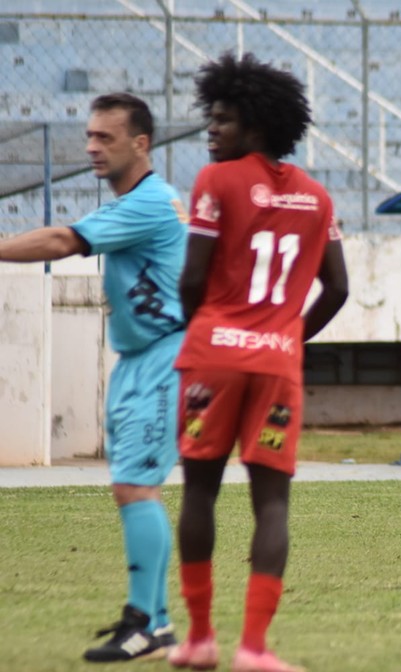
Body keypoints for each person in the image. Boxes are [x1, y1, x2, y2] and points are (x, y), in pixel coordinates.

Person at [168, 53, 348, 672]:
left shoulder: (214, 183)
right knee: (272, 504)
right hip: (277, 363)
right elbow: (339, 289)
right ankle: (254, 649)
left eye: (221, 120)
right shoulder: (320, 199)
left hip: (213, 358)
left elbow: (192, 278)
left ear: (254, 123)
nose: (210, 131)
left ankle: (198, 640)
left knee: (199, 491)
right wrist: (288, 337)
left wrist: (206, 332)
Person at [0, 93, 185, 662]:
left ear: (140, 143)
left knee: (136, 487)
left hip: (162, 356)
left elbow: (62, 241)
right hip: (135, 359)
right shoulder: (135, 203)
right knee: (130, 487)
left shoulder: (151, 202)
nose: (91, 147)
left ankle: (147, 624)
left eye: (105, 137)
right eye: (90, 136)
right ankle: (153, 623)